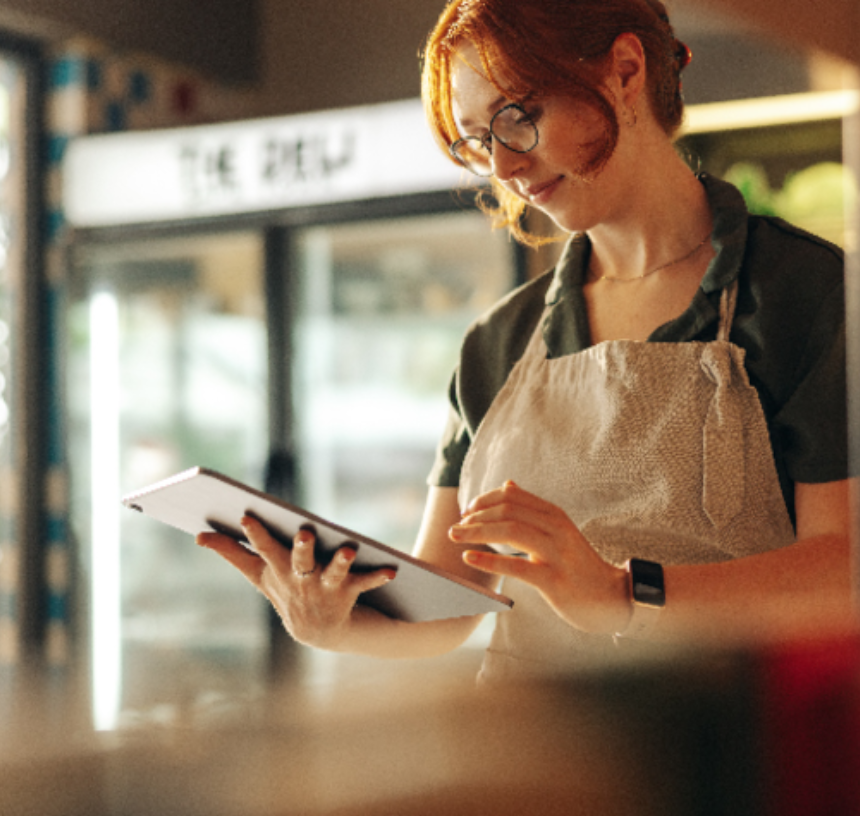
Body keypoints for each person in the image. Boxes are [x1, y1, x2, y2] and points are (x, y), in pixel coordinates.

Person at [198, 0, 855, 682]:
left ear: (626, 72)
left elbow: (843, 566)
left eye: (518, 117)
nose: (505, 168)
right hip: (529, 764)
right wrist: (337, 622)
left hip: (723, 761)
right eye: (477, 142)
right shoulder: (497, 343)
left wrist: (625, 596)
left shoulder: (807, 294)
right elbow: (452, 605)